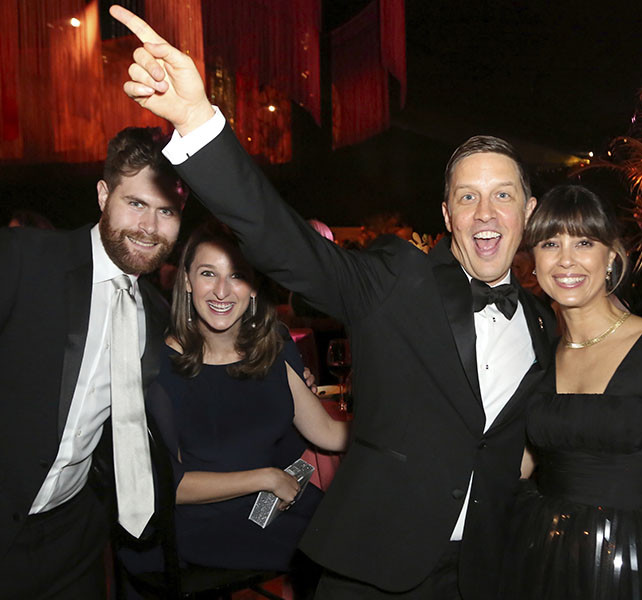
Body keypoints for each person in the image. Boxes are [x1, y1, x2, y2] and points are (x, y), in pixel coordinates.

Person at [109, 6, 558, 599]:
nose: (485, 212)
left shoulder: (544, 323)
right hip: (377, 572)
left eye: (503, 195)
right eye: (467, 196)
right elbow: (286, 244)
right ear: (447, 216)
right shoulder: (399, 279)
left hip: (486, 571)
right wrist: (197, 121)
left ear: (527, 213)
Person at [0, 126, 187, 599]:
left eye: (166, 211)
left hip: (74, 542)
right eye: (136, 203)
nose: (149, 227)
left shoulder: (156, 315)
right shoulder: (18, 258)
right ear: (103, 194)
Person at [505, 184, 642, 599]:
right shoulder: (540, 354)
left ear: (611, 258)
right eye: (550, 243)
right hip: (544, 556)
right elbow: (521, 462)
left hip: (635, 561)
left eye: (584, 242)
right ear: (535, 260)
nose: (566, 259)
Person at [133, 221, 347, 580]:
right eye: (207, 273)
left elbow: (325, 431)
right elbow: (170, 486)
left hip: (278, 502)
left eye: (236, 275)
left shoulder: (273, 343)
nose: (221, 291)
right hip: (205, 522)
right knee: (337, 554)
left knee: (365, 532)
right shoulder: (161, 365)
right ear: (186, 280)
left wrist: (387, 431)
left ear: (252, 287)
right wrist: (263, 478)